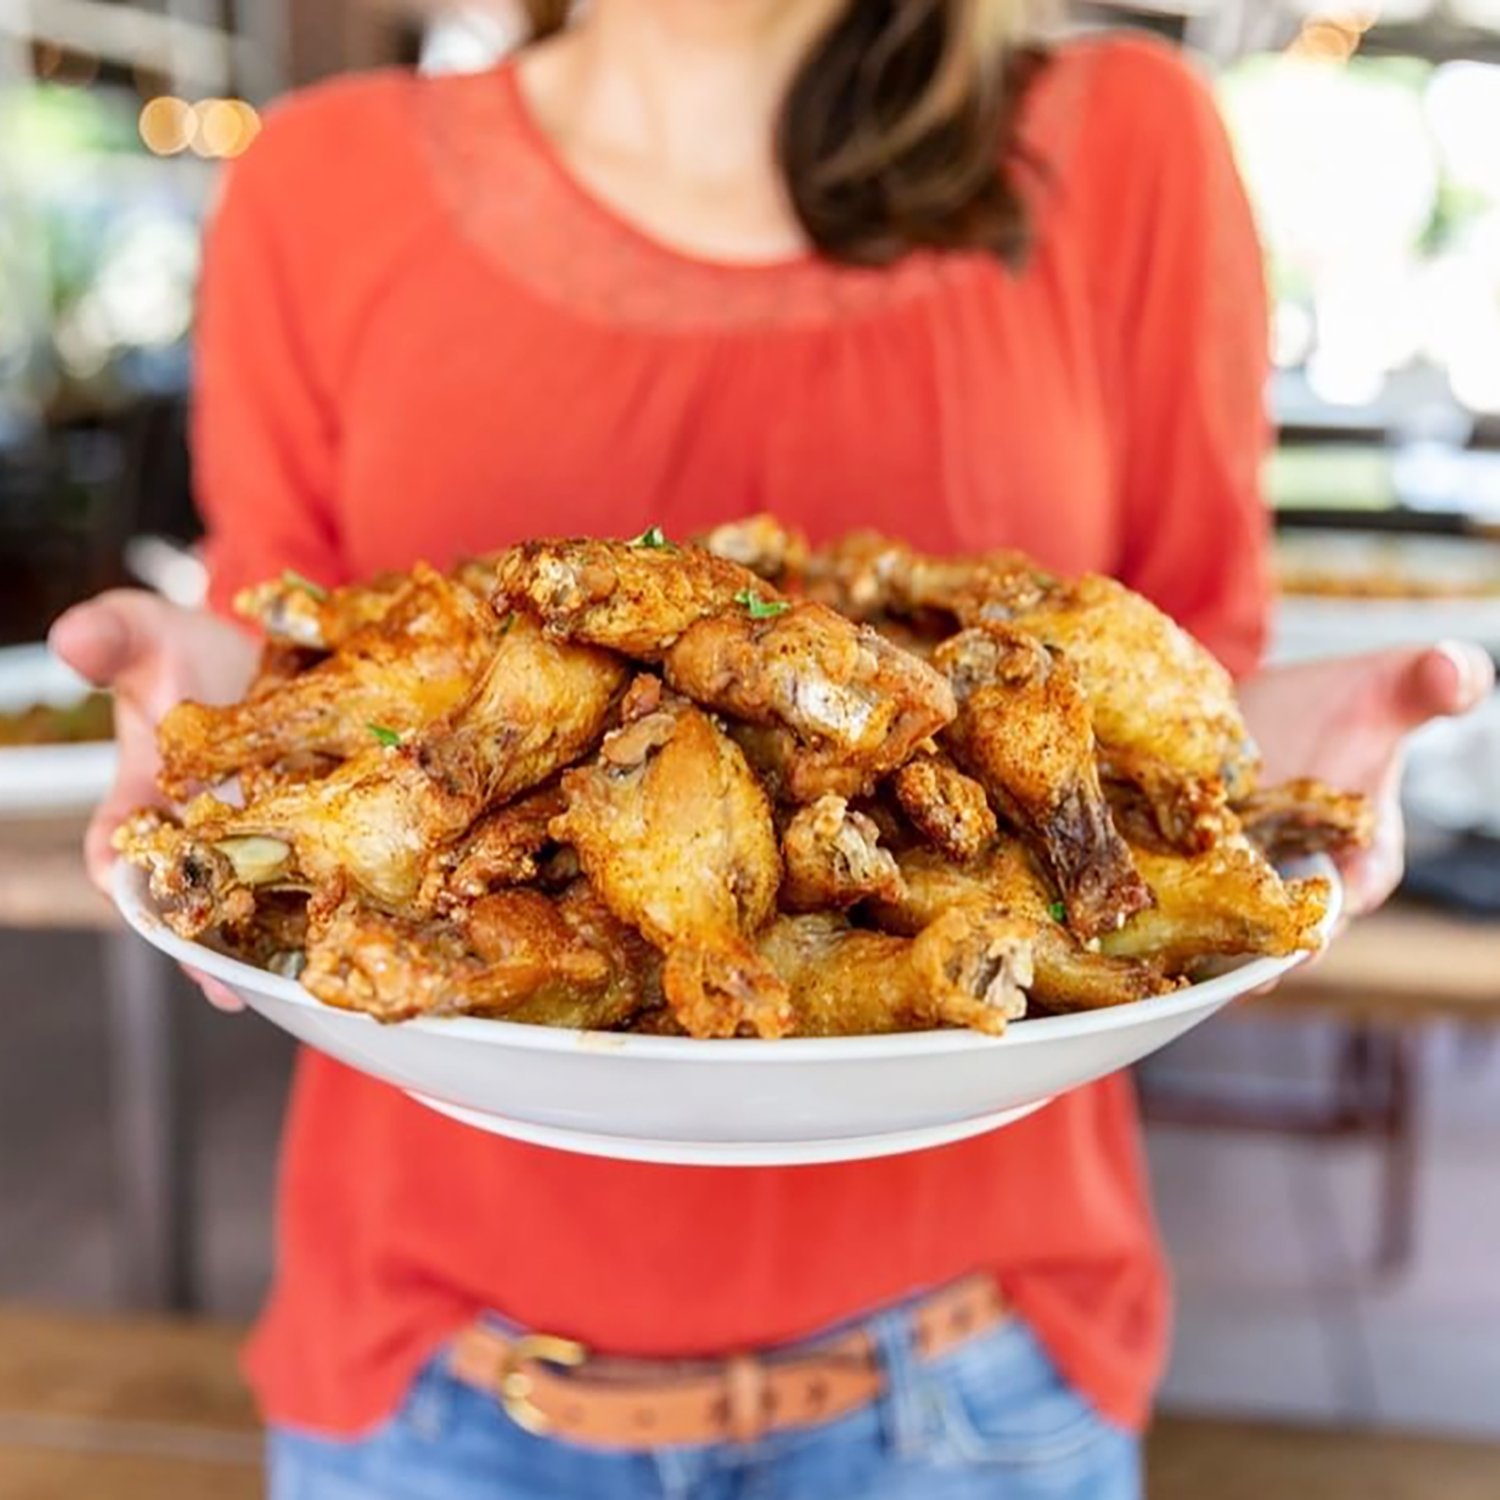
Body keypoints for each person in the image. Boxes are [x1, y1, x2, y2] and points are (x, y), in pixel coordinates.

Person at [52, 2, 1492, 1496]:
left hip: (978, 1386)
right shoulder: (321, 179)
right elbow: (294, 626)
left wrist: (1258, 773)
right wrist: (212, 720)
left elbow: (1189, 658)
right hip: (428, 1382)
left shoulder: (1128, 138)